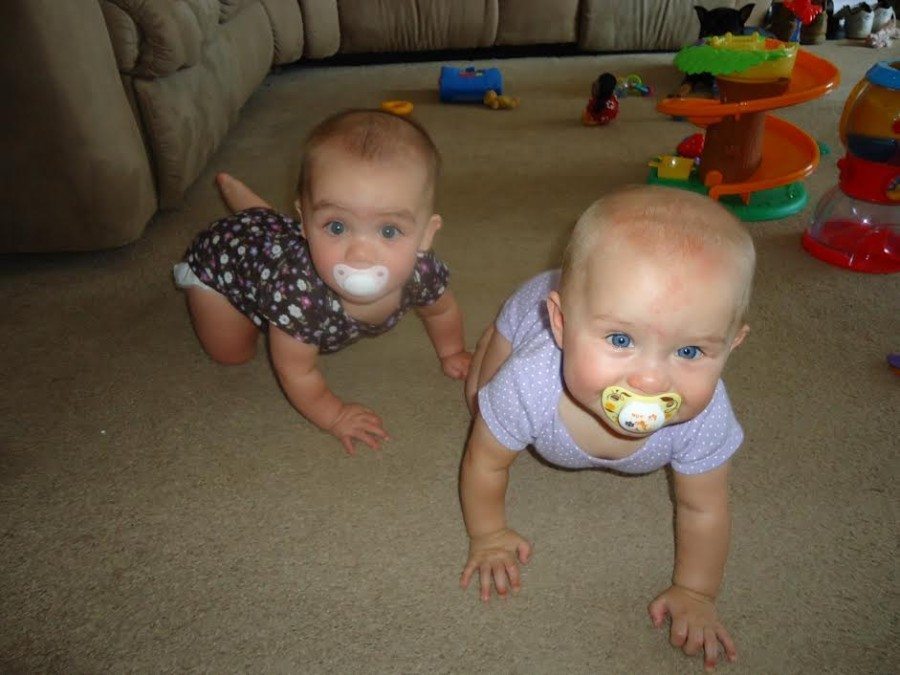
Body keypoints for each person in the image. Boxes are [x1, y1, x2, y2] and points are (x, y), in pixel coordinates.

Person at [459, 185, 755, 671]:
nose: (650, 379)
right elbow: (484, 463)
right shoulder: (528, 382)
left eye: (689, 352)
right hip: (525, 316)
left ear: (730, 345)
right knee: (479, 400)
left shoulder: (705, 415)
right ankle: (495, 332)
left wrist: (696, 591)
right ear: (560, 323)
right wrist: (488, 534)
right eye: (621, 339)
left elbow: (704, 506)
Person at [173, 109, 472, 454]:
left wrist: (452, 351)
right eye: (337, 226)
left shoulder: (423, 273)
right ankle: (251, 220)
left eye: (389, 230)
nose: (359, 255)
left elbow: (442, 312)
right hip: (224, 265)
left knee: (271, 230)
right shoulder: (300, 297)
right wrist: (334, 415)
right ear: (306, 223)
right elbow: (296, 372)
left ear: (425, 235)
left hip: (275, 244)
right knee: (232, 354)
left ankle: (256, 212)